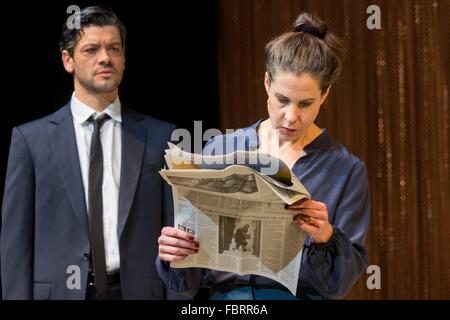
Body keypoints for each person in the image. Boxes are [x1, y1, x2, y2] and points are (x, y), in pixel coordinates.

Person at [156, 12, 370, 300]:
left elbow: (340, 285)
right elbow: (188, 280)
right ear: (267, 82)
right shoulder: (221, 149)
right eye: (282, 100)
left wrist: (326, 238)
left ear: (325, 94)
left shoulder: (345, 169)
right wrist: (175, 252)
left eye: (306, 104)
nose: (291, 117)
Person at [1, 6, 179, 300]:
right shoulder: (30, 141)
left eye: (114, 48)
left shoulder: (162, 137)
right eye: (91, 49)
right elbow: (16, 245)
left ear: (124, 59)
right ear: (67, 60)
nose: (105, 57)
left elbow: (176, 234)